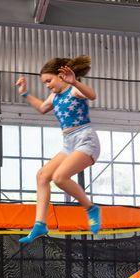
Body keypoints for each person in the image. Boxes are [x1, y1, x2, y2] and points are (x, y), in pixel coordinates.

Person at [15, 55, 101, 244]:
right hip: (69, 143)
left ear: (61, 76)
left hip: (85, 140)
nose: (47, 85)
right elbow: (42, 107)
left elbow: (92, 95)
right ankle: (40, 224)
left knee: (60, 177)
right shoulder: (55, 96)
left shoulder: (74, 90)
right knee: (42, 176)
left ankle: (90, 208)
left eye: (48, 81)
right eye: (44, 82)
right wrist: (25, 94)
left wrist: (75, 82)